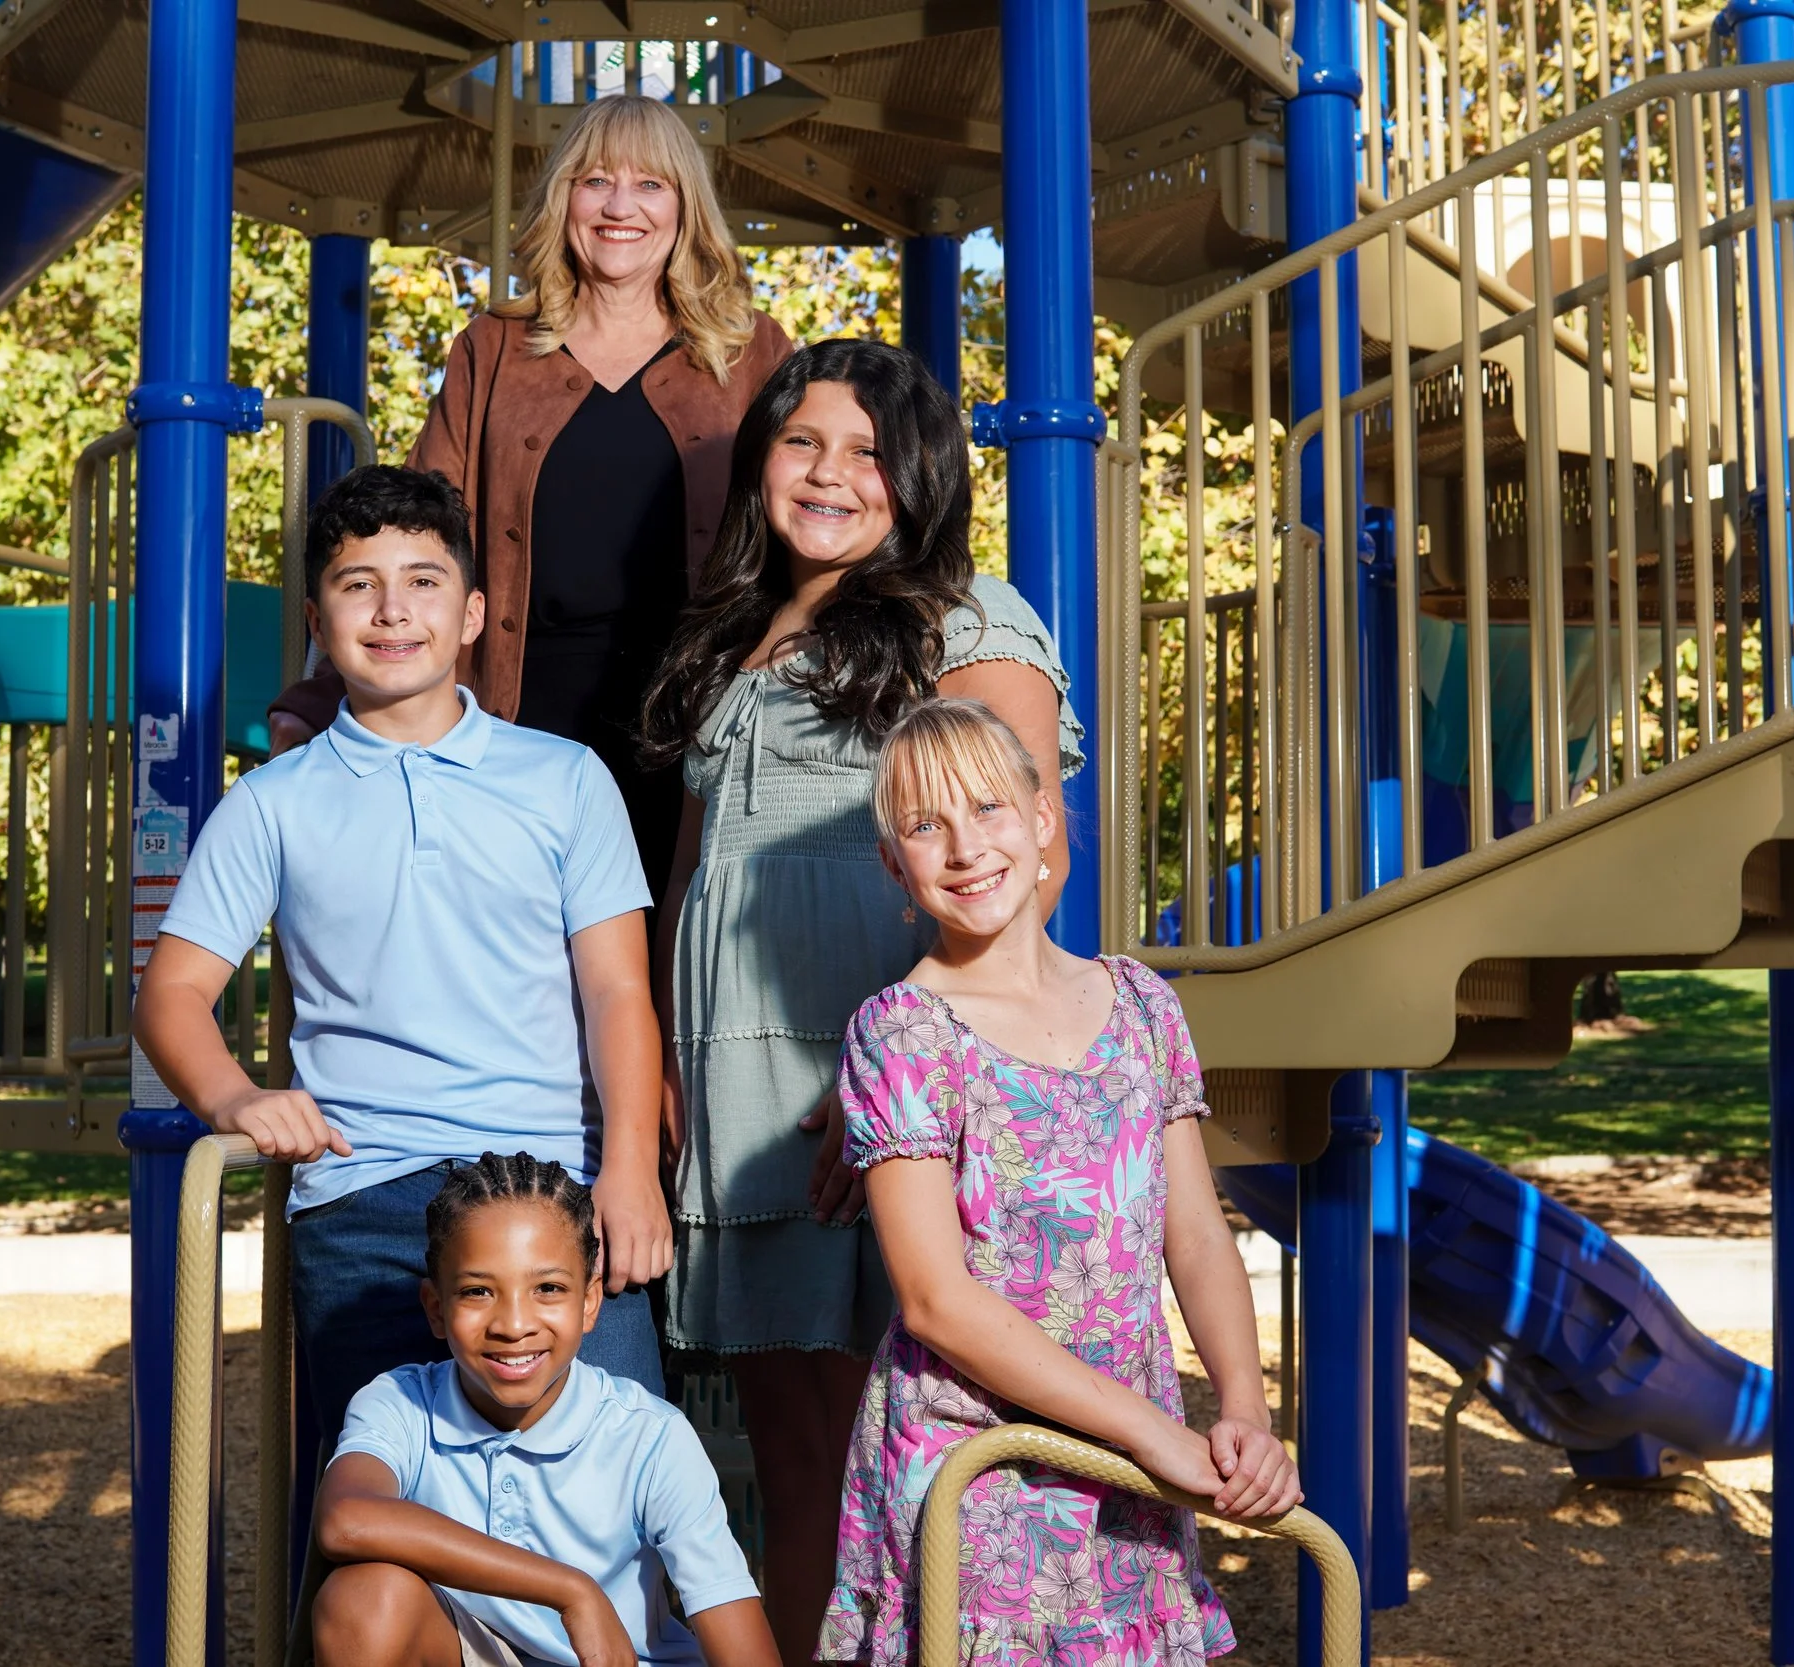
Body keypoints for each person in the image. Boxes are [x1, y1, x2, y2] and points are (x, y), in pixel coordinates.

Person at [635, 339, 1085, 1657]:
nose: (831, 475)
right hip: (740, 1087)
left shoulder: (967, 614)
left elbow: (1024, 855)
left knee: (918, 1452)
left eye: (867, 452)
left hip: (877, 1085)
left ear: (920, 477)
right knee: (799, 1466)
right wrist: (667, 1053)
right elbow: (695, 867)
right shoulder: (737, 630)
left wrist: (897, 1088)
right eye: (801, 442)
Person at [135, 464, 673, 1451]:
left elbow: (616, 989)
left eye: (422, 581)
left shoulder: (563, 778)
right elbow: (171, 992)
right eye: (357, 585)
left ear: (471, 613)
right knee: (384, 1533)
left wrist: (630, 1168)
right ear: (318, 616)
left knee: (613, 1509)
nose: (392, 609)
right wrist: (235, 1097)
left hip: (552, 1182)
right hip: (364, 1196)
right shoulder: (273, 802)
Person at [818, 698, 1299, 1664]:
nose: (964, 846)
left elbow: (1196, 1237)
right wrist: (1153, 1437)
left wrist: (1242, 1411)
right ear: (895, 867)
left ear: (1042, 821)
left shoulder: (1142, 1007)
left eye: (988, 809)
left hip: (1130, 1459)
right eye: (925, 825)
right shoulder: (902, 1032)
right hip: (978, 1463)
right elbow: (935, 1301)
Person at [267, 93, 796, 879]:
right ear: (564, 199)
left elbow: (804, 533)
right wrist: (322, 693)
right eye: (595, 181)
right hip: (524, 715)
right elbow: (416, 532)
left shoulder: (750, 353)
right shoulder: (494, 348)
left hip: (696, 714)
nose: (621, 207)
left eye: (650, 185)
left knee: (673, 975)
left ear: (686, 207)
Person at [313, 1152, 781, 1667]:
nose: (513, 1324)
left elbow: (742, 1647)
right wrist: (570, 1590)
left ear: (589, 1303)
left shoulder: (651, 1436)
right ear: (436, 1309)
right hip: (469, 1651)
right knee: (363, 1598)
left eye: (549, 1289)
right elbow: (345, 1519)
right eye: (477, 1291)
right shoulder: (398, 1405)